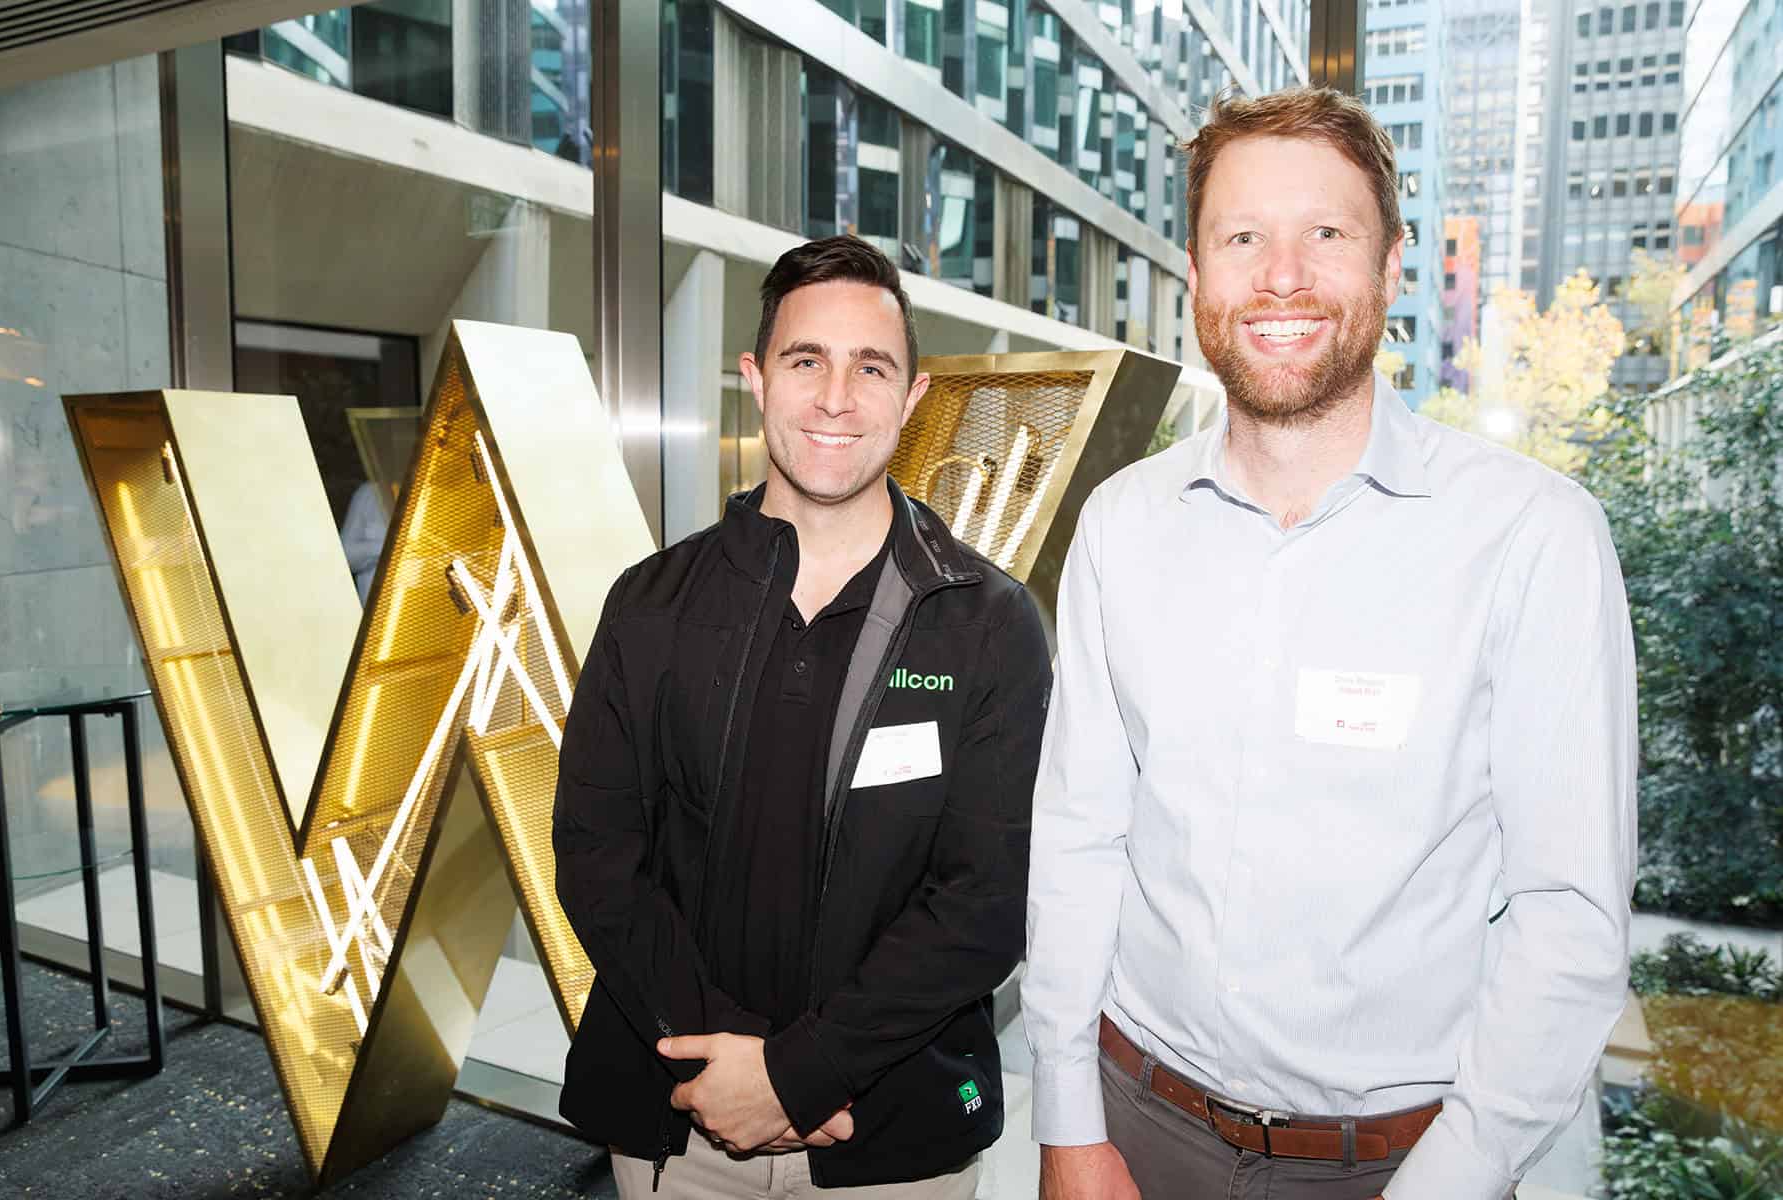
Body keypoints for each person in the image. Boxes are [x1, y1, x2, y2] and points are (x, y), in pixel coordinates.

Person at [1022, 86, 1637, 1200]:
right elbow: (1079, 835)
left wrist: (1456, 1176)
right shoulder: (1122, 523)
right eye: (1242, 238)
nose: (1282, 276)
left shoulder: (1532, 535)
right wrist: (1065, 1121)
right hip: (1135, 1125)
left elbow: (1570, 913)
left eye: (1326, 234)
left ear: (1392, 266)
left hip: (1402, 1164)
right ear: (1196, 273)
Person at [553, 234, 1050, 1197]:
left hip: (890, 1137)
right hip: (679, 1122)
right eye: (806, 361)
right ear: (756, 378)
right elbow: (598, 854)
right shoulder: (651, 604)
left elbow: (988, 899)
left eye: (871, 368)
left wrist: (799, 1073)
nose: (836, 398)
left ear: (913, 397)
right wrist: (732, 1068)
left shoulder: (986, 623)